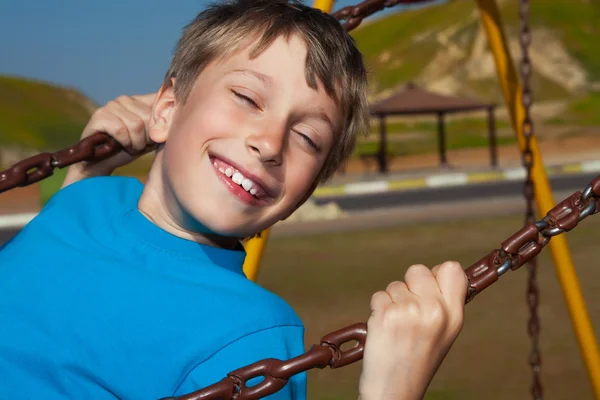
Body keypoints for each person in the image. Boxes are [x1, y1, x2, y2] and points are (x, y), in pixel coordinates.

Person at [0, 0, 468, 399]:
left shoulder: (254, 339)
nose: (270, 142)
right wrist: (87, 166)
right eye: (246, 96)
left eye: (307, 137)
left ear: (307, 189)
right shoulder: (87, 198)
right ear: (165, 110)